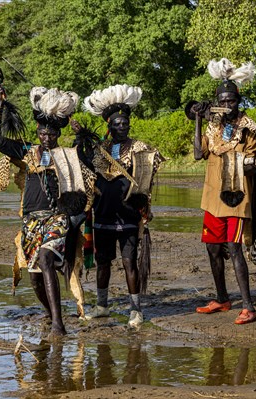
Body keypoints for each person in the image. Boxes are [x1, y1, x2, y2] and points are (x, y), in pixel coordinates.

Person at [0, 86, 95, 336]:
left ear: (58, 134)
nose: (46, 138)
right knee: (35, 277)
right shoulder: (27, 152)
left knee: (46, 259)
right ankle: (51, 312)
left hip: (57, 219)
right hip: (31, 222)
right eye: (42, 133)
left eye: (51, 134)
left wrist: (83, 136)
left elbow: (91, 161)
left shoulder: (68, 155)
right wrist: (2, 105)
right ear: (37, 132)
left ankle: (59, 324)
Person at [189, 59, 256, 324]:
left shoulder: (248, 126)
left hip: (237, 198)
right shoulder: (213, 125)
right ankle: (222, 298)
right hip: (212, 197)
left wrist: (236, 162)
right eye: (223, 101)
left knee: (234, 248)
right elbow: (198, 153)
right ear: (217, 102)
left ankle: (249, 306)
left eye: (231, 100)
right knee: (213, 250)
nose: (228, 105)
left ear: (238, 100)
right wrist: (196, 119)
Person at [80, 84, 163, 328]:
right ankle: (102, 305)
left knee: (129, 261)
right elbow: (89, 171)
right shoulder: (101, 149)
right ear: (109, 126)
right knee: (103, 262)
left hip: (128, 215)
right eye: (117, 123)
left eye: (125, 123)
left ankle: (135, 310)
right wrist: (82, 137)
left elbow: (149, 172)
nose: (122, 126)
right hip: (103, 214)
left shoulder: (139, 148)